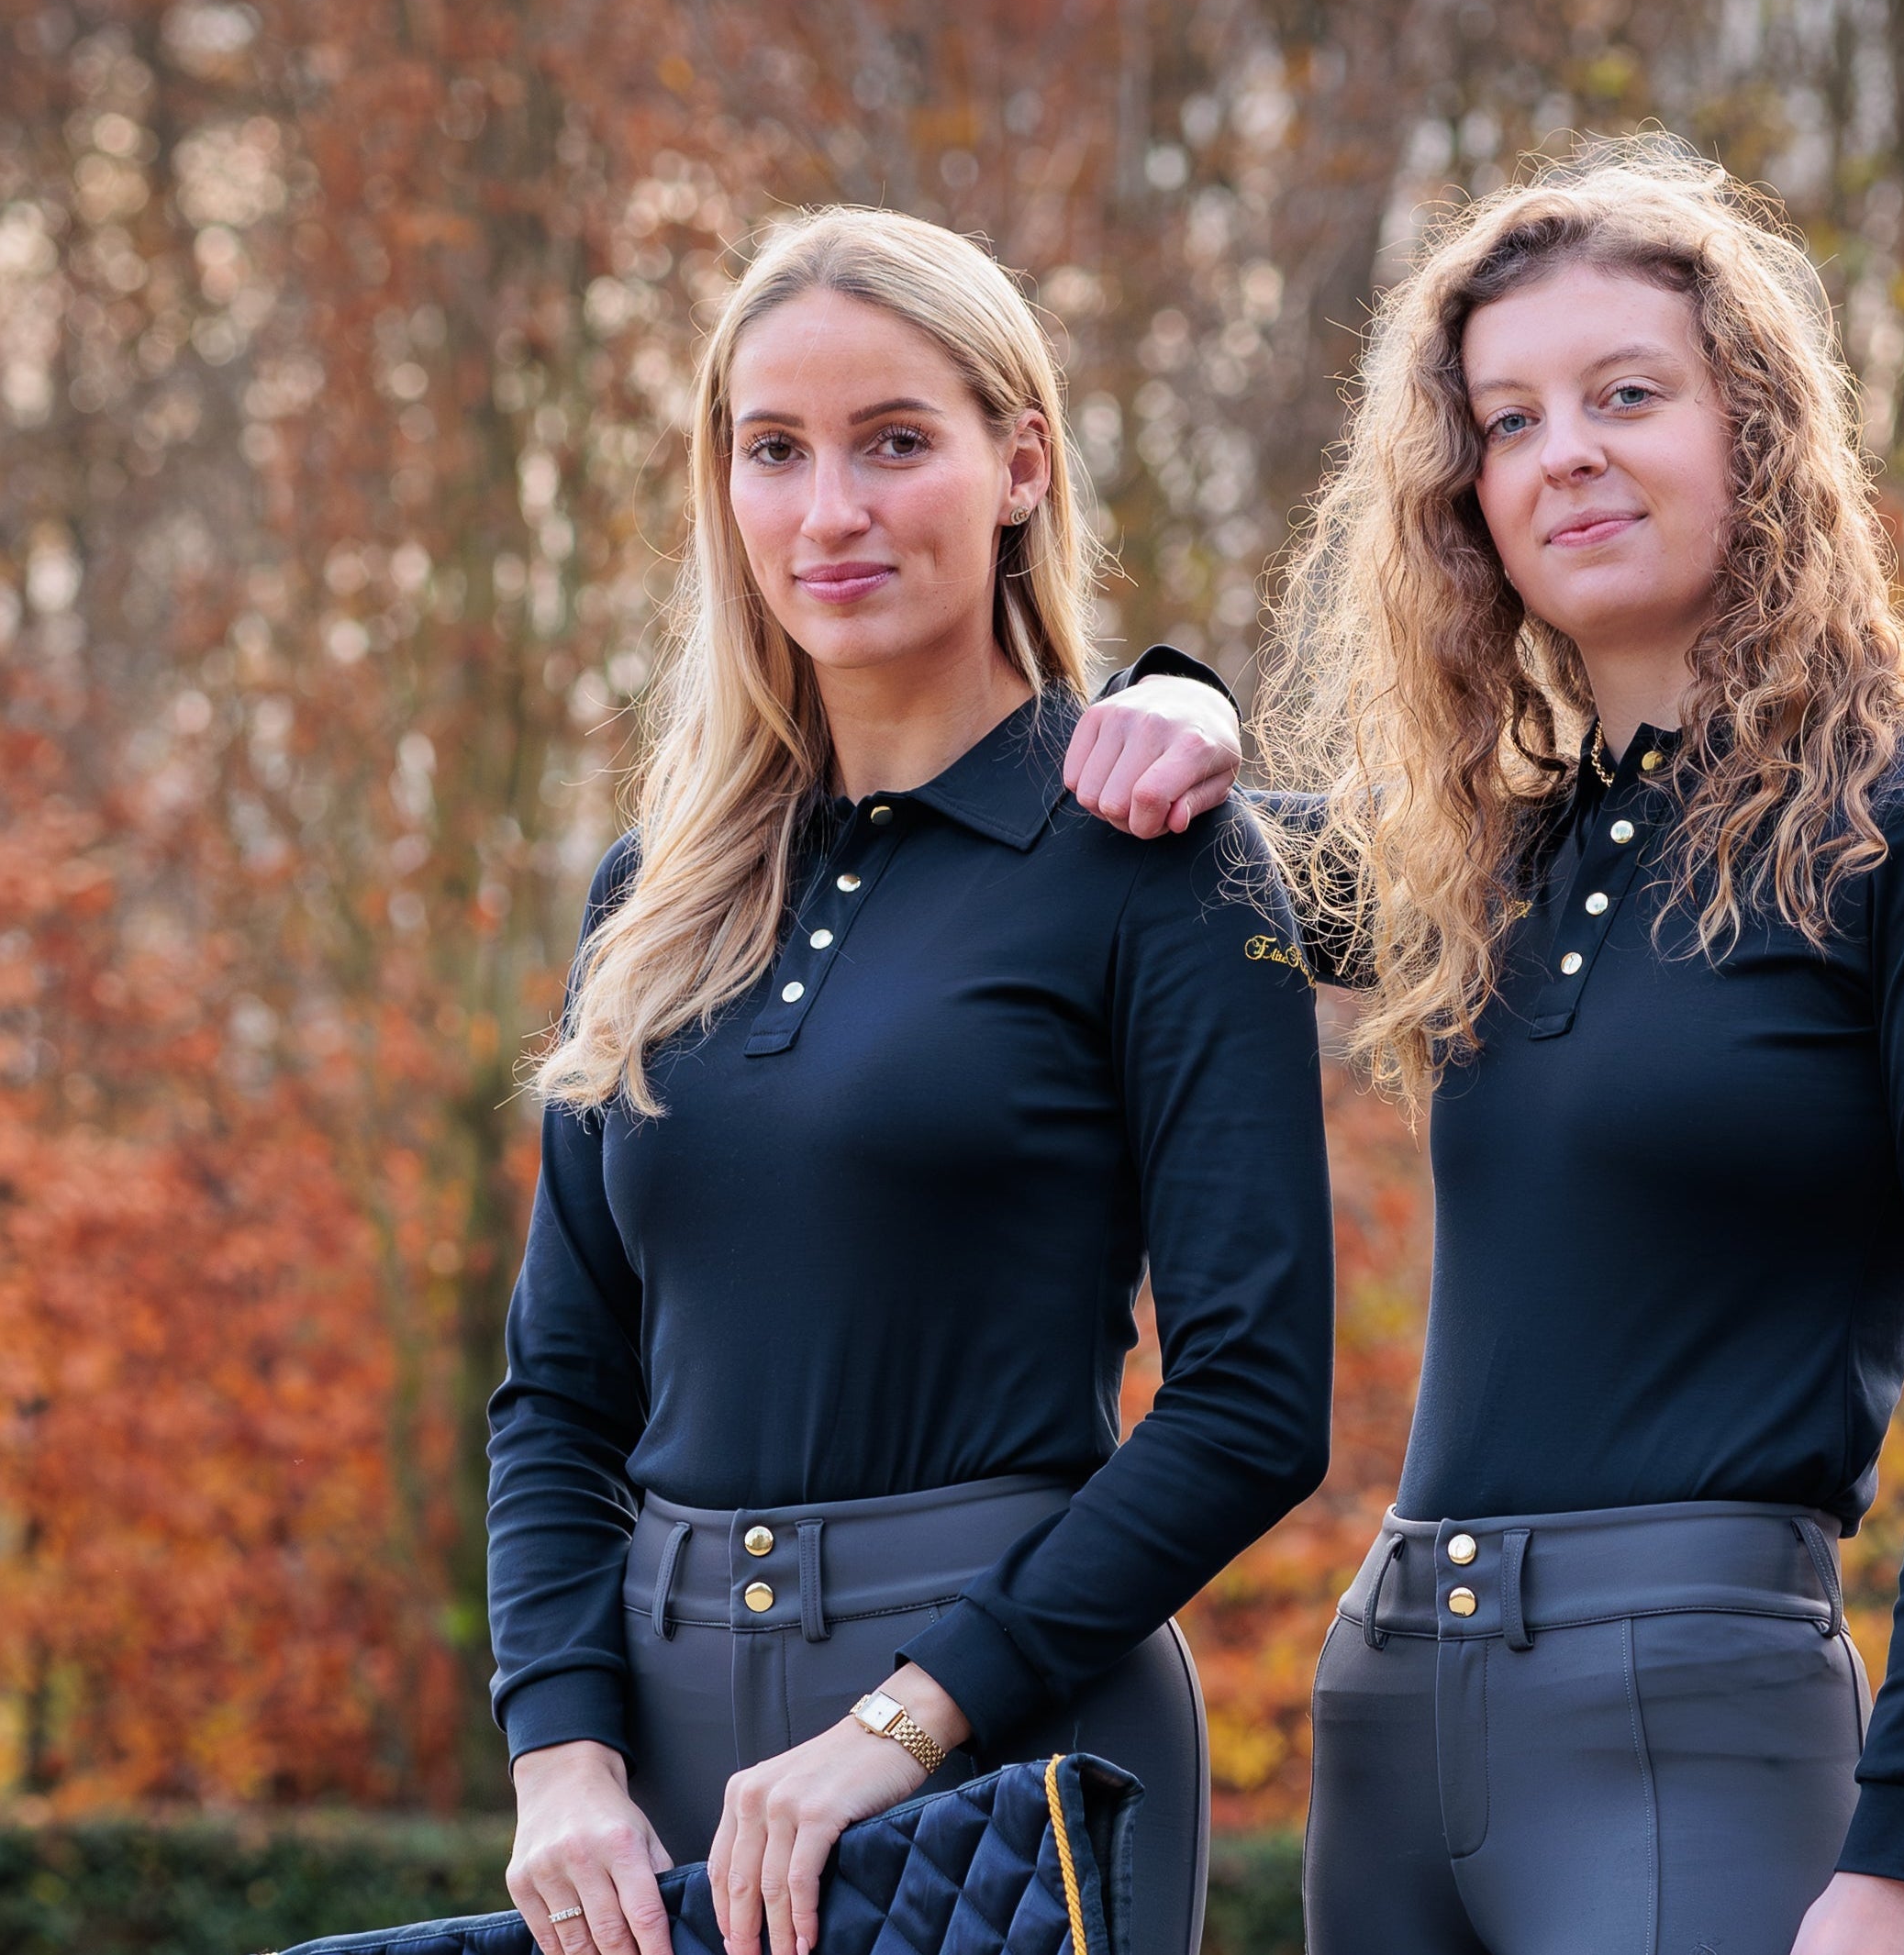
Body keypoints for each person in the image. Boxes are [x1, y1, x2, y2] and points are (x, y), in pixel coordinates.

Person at [1064, 139, 1904, 1955]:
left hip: (1690, 1725)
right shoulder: (1492, 855)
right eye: (1509, 420)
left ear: (1752, 429)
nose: (1566, 453)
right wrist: (1177, 692)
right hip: (1390, 1710)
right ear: (1462, 493)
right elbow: (1203, 839)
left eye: (1627, 395)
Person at [488, 207, 1334, 1955]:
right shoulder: (652, 892)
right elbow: (558, 1392)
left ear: (1018, 464)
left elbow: (1253, 1403)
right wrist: (559, 1755)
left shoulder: (1159, 860)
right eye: (773, 450)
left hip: (1000, 1729)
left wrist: (904, 1721)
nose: (829, 511)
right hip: (656, 1759)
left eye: (892, 442)